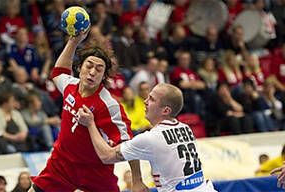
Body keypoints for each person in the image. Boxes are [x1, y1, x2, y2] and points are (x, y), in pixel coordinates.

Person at [30, 31, 147, 191]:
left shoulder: (109, 105)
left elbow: (128, 143)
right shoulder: (70, 86)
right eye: (89, 66)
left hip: (95, 171)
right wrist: (74, 41)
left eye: (99, 69)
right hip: (61, 164)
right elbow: (58, 72)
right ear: (79, 67)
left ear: (104, 76)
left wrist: (137, 180)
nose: (92, 72)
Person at [78, 83, 216, 191]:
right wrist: (137, 179)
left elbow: (106, 156)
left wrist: (90, 124)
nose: (145, 101)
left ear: (166, 110)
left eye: (152, 99)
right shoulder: (186, 128)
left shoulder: (151, 138)